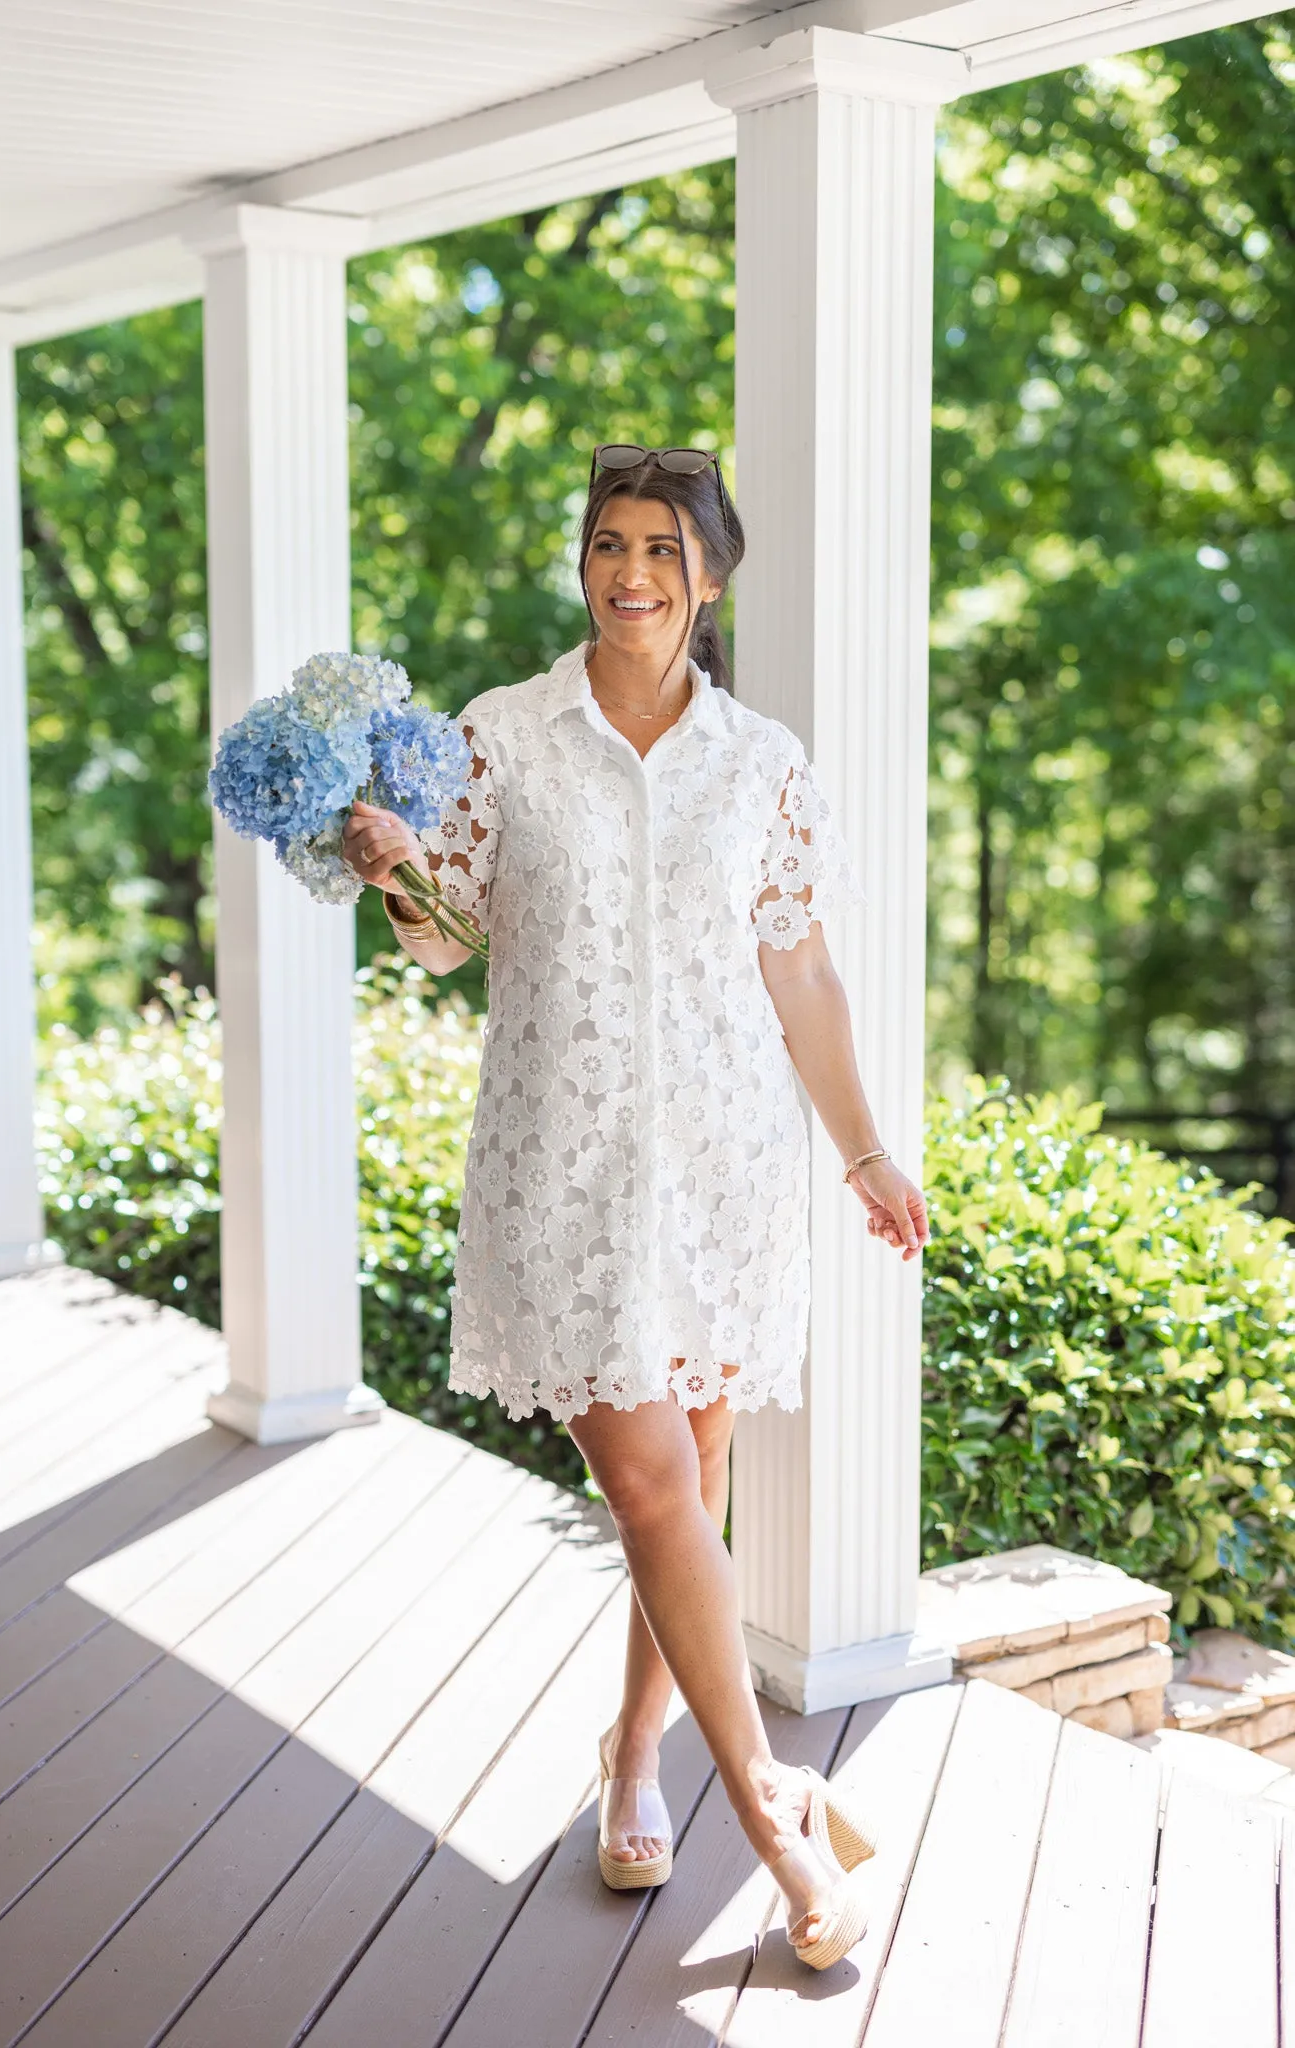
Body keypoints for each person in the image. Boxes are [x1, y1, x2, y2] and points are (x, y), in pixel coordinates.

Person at [342, 443, 929, 1971]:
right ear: (583, 562)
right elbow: (444, 945)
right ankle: (774, 1822)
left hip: (729, 1170)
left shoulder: (763, 762)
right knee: (654, 1490)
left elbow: (794, 964)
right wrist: (397, 871)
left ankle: (628, 1753)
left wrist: (862, 1151)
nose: (632, 570)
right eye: (610, 541)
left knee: (701, 1468)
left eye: (665, 547)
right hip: (565, 1168)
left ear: (709, 576)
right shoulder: (501, 737)